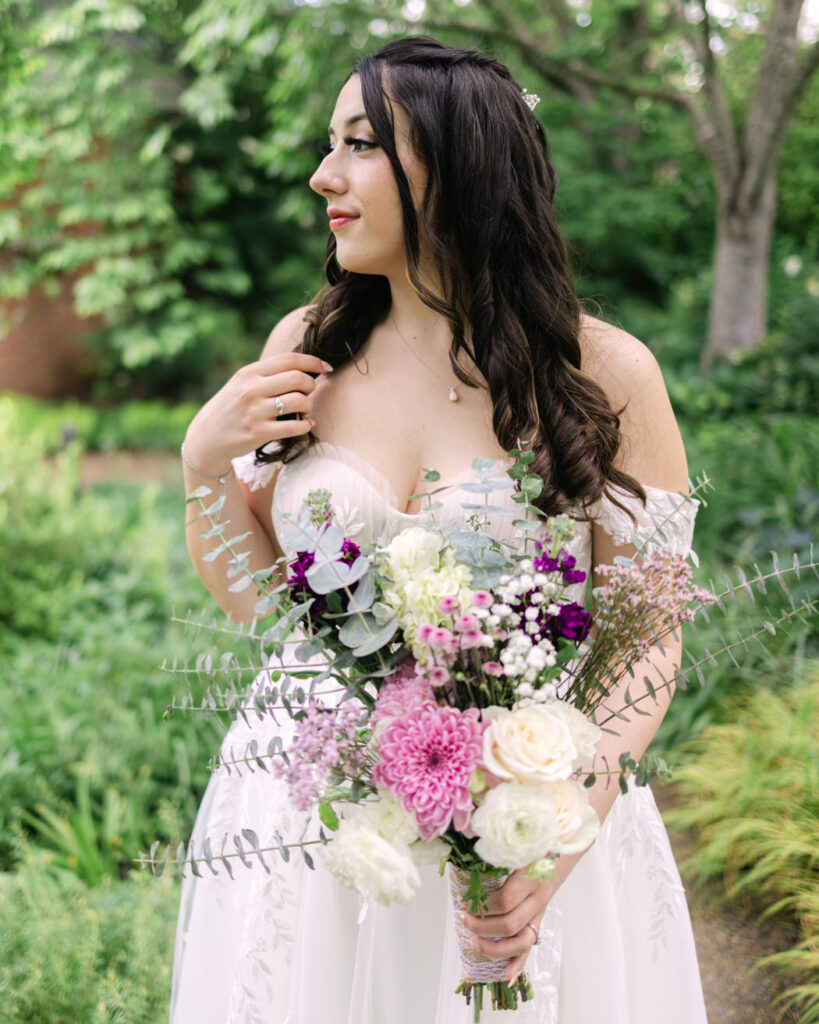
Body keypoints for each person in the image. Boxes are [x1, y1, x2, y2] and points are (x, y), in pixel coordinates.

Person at [172, 36, 708, 1024]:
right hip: (317, 810)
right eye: (329, 142)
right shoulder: (306, 349)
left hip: (526, 799)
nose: (321, 174)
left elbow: (649, 635)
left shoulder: (607, 374)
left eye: (361, 144)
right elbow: (257, 602)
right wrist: (204, 461)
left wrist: (560, 828)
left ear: (459, 168)